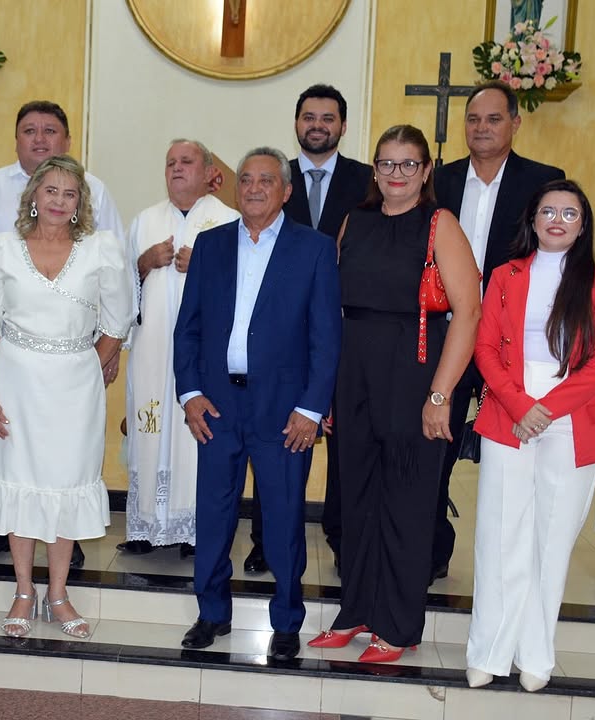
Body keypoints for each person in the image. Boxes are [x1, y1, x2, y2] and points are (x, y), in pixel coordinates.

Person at [308, 125, 480, 662]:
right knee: (355, 498)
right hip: (354, 371)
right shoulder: (353, 222)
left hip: (415, 372)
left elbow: (469, 312)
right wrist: (328, 390)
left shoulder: (440, 224)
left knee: (406, 502)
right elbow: (332, 309)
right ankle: (356, 610)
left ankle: (399, 626)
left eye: (408, 164)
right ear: (375, 170)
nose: (396, 174)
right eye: (387, 163)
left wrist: (440, 395)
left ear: (426, 171)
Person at [0, 155, 133, 638]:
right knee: (20, 482)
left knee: (65, 483)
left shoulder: (101, 249)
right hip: (14, 381)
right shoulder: (0, 248)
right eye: (50, 190)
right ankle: (23, 591)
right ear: (33, 195)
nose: (58, 200)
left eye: (69, 193)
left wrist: (84, 364)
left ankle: (58, 594)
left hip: (75, 389)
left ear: (80, 203)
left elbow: (118, 319)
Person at [174, 147, 341, 662]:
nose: (253, 188)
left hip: (284, 410)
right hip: (217, 406)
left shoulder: (313, 249)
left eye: (266, 180)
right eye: (246, 179)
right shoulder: (210, 246)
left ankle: (287, 620)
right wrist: (190, 393)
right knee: (213, 514)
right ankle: (211, 613)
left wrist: (311, 409)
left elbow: (326, 338)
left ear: (286, 191)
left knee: (285, 518)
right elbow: (188, 327)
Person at [465, 179, 595, 691]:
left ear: (582, 226)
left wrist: (546, 409)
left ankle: (535, 653)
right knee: (499, 533)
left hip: (572, 413)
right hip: (510, 406)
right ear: (532, 220)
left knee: (551, 540)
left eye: (569, 213)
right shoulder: (505, 275)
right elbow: (485, 347)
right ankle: (488, 651)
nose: (558, 220)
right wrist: (519, 404)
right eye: (548, 211)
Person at [431, 81, 565, 583]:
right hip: (450, 336)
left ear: (515, 123)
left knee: (512, 454)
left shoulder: (543, 182)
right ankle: (431, 550)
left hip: (513, 344)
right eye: (473, 119)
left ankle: (512, 563)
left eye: (492, 119)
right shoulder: (441, 181)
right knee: (435, 447)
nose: (481, 128)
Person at [268, 82, 374, 574]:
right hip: (281, 331)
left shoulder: (368, 180)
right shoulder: (274, 177)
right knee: (276, 434)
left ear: (343, 126)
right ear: (296, 123)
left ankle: (342, 535)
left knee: (346, 437)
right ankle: (268, 538)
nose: (317, 125)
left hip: (348, 325)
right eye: (309, 117)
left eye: (327, 118)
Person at [120, 139, 239, 557]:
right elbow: (119, 289)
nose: (176, 168)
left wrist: (204, 265)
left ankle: (195, 530)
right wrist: (143, 263)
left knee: (197, 440)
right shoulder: (145, 220)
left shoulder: (229, 222)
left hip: (203, 355)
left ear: (209, 173)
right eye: (170, 162)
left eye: (186, 161)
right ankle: (145, 525)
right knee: (149, 431)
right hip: (152, 352)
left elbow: (244, 290)